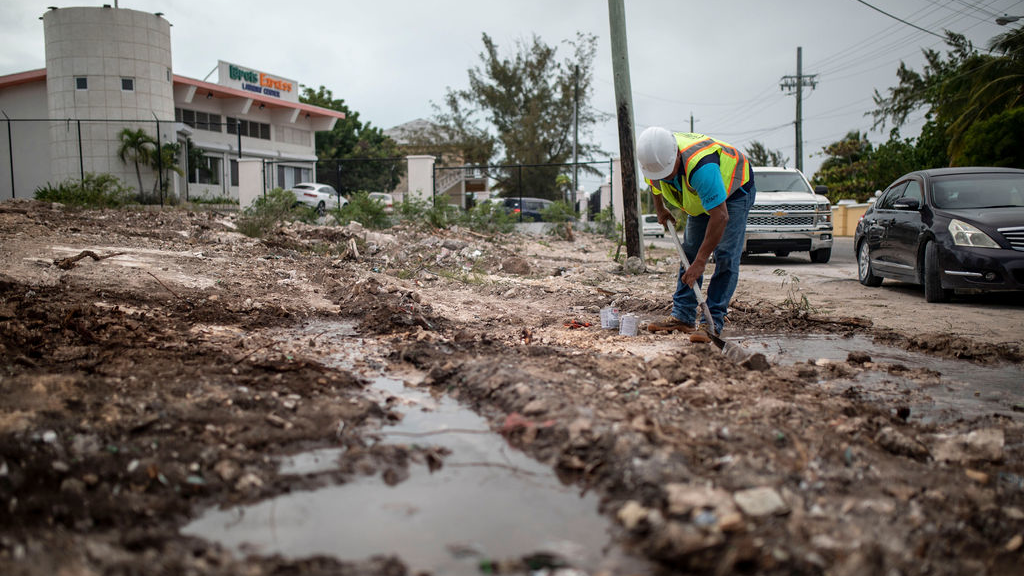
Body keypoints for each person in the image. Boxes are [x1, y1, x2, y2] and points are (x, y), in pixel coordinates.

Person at [637, 126, 756, 337]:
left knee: (726, 255)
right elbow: (654, 183)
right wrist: (660, 209)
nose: (663, 177)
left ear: (676, 156)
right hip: (701, 199)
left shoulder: (702, 167)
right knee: (689, 251)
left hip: (734, 191)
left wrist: (701, 262)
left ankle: (713, 322)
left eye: (667, 172)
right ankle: (682, 316)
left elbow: (720, 216)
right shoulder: (653, 160)